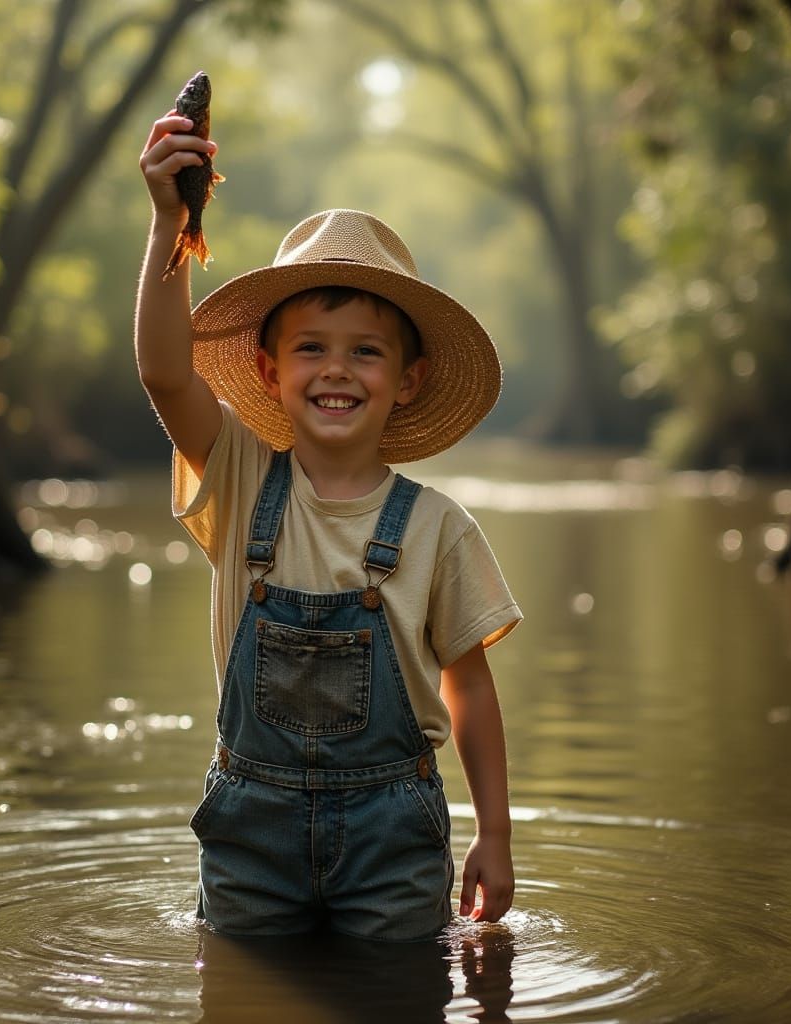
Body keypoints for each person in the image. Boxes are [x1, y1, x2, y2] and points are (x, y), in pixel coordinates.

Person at [136, 111, 522, 942]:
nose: (337, 369)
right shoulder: (237, 478)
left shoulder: (438, 527)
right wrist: (173, 222)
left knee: (397, 992)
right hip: (252, 833)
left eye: (366, 352)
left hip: (394, 836)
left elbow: (472, 690)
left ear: (409, 381)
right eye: (311, 348)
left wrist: (496, 831)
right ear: (271, 374)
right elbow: (164, 372)